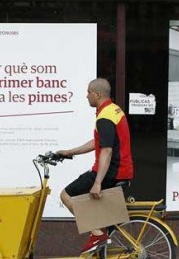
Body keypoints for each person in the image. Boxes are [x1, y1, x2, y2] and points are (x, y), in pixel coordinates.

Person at [56, 78, 133, 254]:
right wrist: (70, 152)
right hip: (121, 169)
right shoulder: (113, 110)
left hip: (111, 171)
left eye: (89, 92)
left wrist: (97, 182)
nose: (86, 96)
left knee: (66, 195)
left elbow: (106, 151)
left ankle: (97, 235)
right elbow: (98, 142)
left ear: (97, 94)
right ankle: (98, 237)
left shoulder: (105, 117)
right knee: (91, 206)